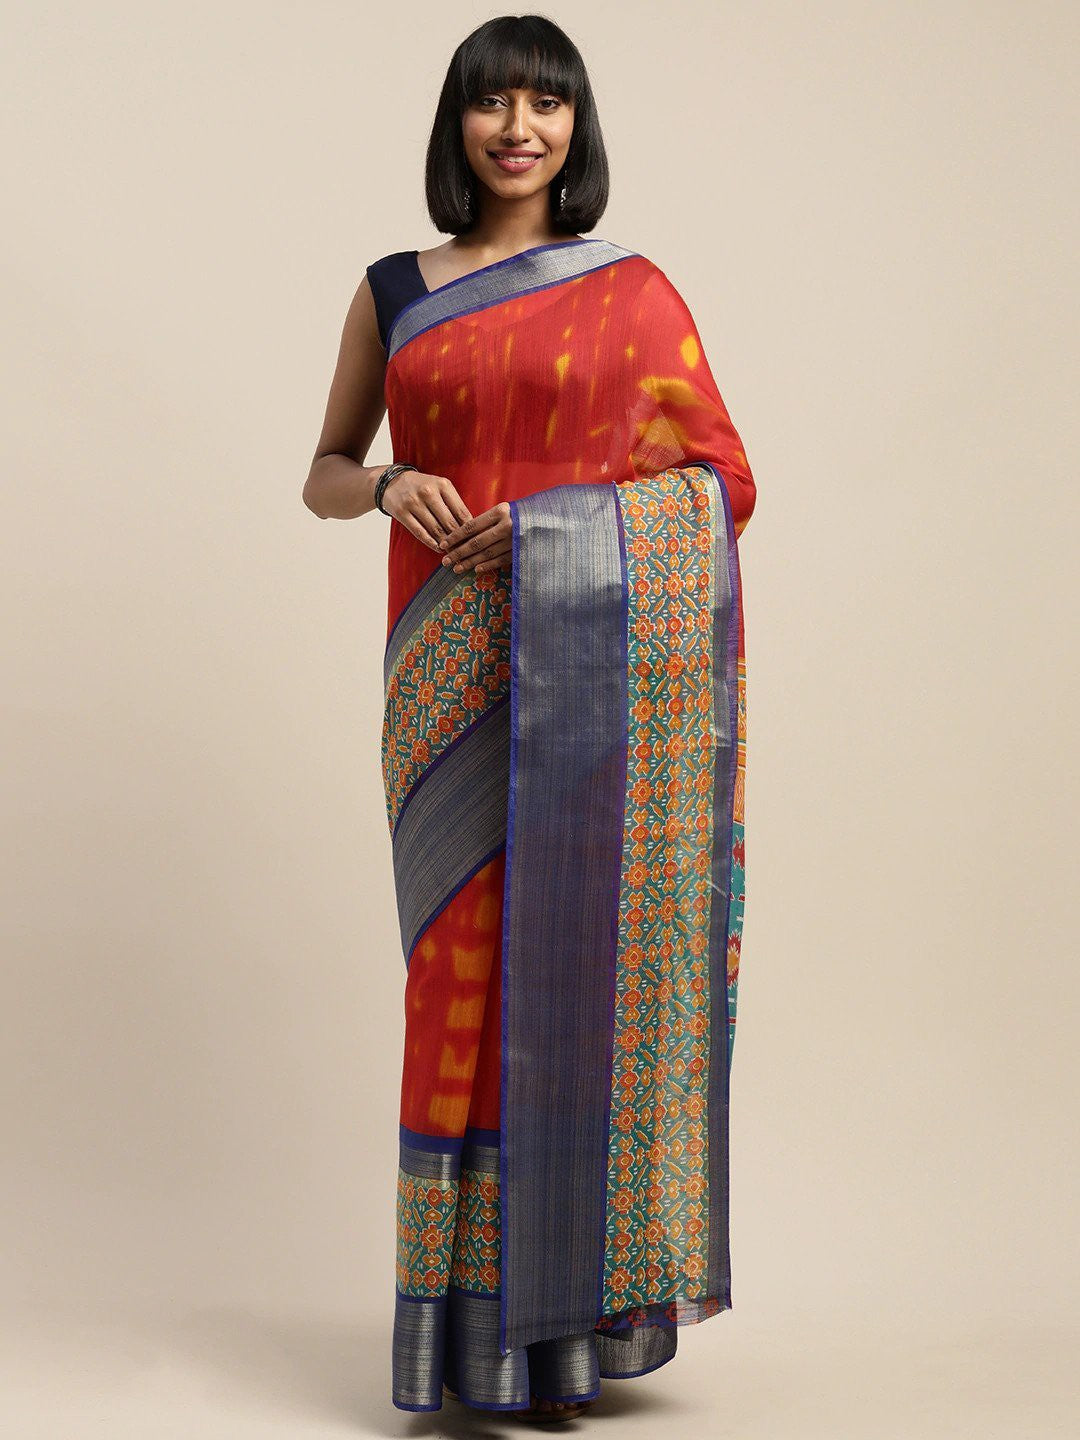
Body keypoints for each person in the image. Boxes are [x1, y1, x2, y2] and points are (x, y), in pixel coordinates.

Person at [302, 14, 756, 1423]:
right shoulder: (394, 290)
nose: (518, 129)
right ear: (457, 125)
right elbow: (324, 471)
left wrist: (560, 530)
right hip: (442, 683)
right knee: (456, 983)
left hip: (596, 685)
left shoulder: (635, 293)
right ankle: (463, 1345)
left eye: (544, 105)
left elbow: (724, 484)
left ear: (575, 126)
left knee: (581, 965)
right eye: (492, 103)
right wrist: (390, 486)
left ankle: (564, 1343)